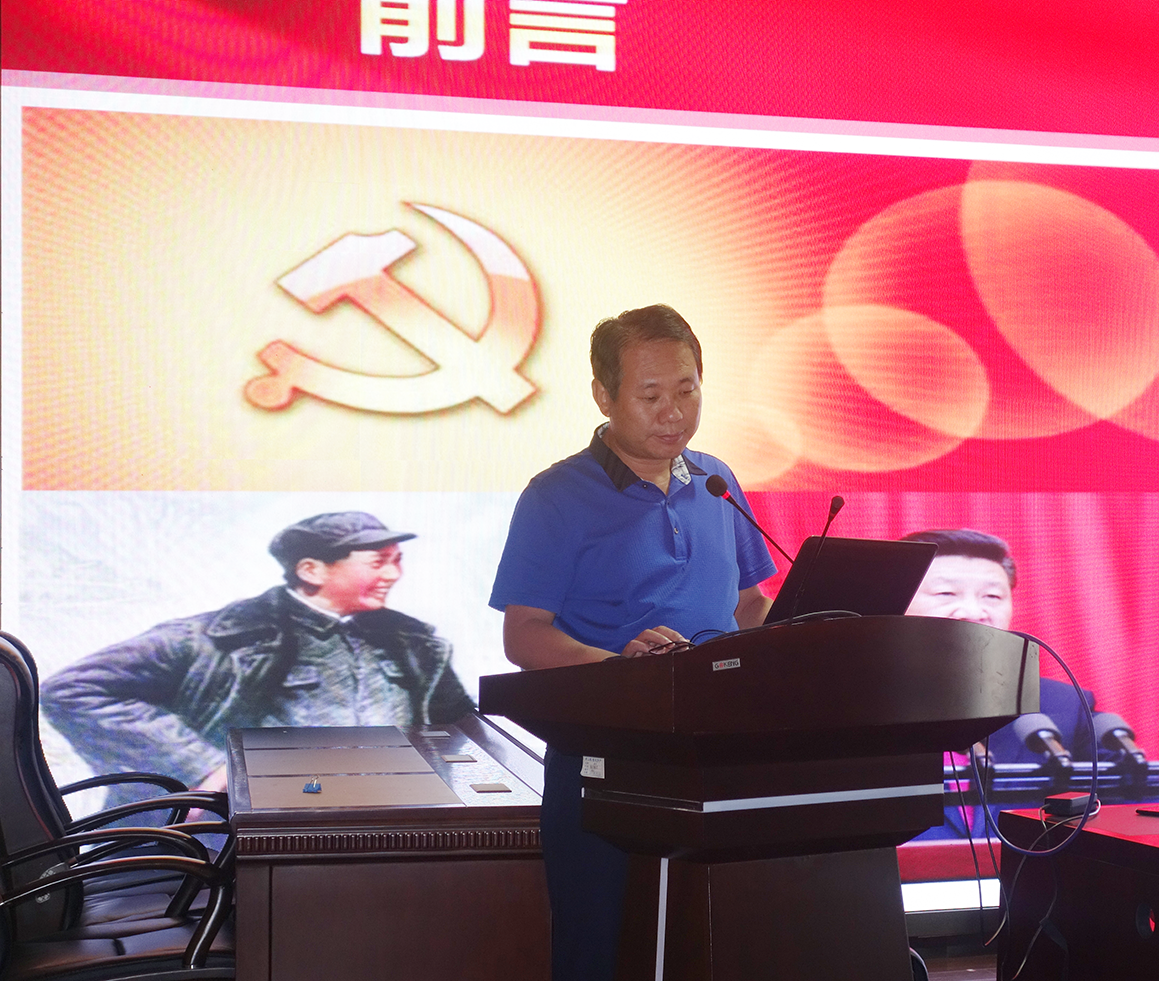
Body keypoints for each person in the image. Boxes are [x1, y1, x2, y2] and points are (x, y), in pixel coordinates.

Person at [489, 304, 776, 981]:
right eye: (650, 396)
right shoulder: (556, 496)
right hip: (604, 764)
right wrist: (620, 667)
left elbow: (750, 605)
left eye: (687, 390)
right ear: (604, 395)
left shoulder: (716, 480)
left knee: (713, 944)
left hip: (716, 756)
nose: (673, 412)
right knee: (600, 950)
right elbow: (523, 635)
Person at [41, 512, 475, 804]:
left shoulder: (415, 642)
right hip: (242, 834)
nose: (393, 575)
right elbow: (73, 690)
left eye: (397, 561)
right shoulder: (213, 637)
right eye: (379, 562)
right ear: (311, 570)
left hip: (382, 817)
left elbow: (459, 725)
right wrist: (205, 767)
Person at [901, 529, 1100, 837]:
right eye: (946, 594)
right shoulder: (852, 708)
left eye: (992, 597)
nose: (973, 612)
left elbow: (1138, 800)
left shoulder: (1060, 707)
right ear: (896, 604)